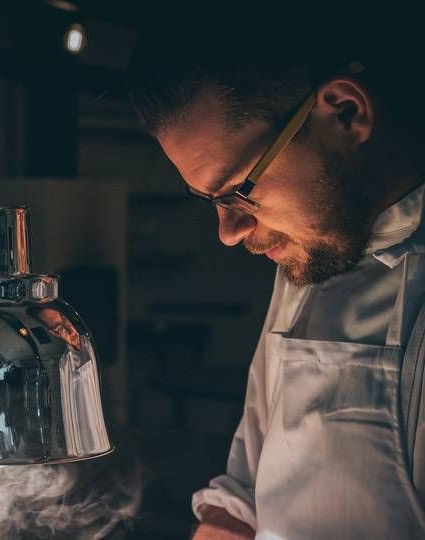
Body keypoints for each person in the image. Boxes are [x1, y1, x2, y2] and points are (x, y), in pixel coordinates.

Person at [126, 25, 425, 539]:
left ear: (346, 113)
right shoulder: (316, 247)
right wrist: (222, 522)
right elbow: (246, 492)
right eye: (212, 201)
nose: (228, 232)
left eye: (237, 191)